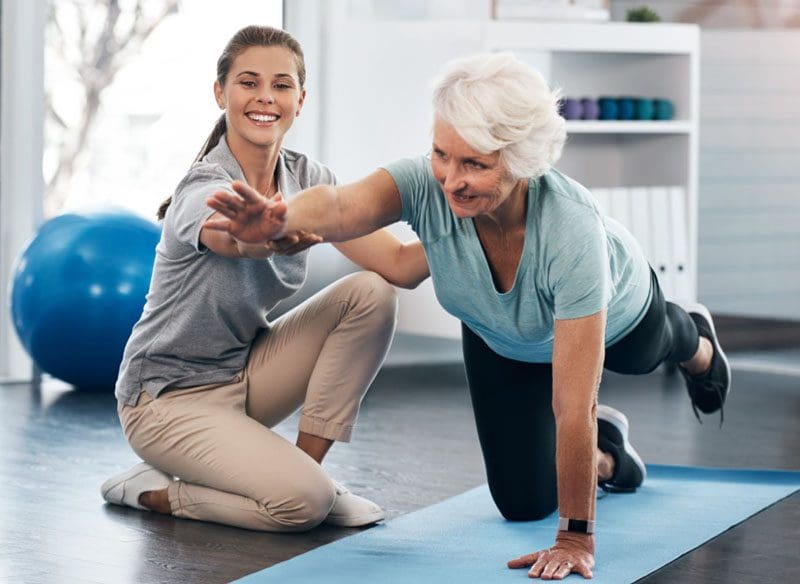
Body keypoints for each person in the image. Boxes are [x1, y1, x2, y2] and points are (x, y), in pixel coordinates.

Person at [205, 52, 732, 579]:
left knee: (650, 349)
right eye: (441, 154)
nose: (450, 180)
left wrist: (575, 537)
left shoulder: (572, 232)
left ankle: (697, 339)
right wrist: (279, 218)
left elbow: (574, 406)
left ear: (523, 160)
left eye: (475, 164)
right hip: (500, 337)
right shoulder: (425, 185)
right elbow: (345, 207)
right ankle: (608, 457)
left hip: (619, 315)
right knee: (523, 503)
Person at [99, 25, 430, 532]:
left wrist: (475, 218)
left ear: (301, 98)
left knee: (371, 293)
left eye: (281, 85)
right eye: (248, 82)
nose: (265, 98)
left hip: (243, 375)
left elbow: (402, 267)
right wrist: (263, 236)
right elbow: (233, 239)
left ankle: (305, 471)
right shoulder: (204, 185)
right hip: (164, 400)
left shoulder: (310, 179)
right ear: (221, 93)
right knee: (301, 507)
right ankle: (157, 492)